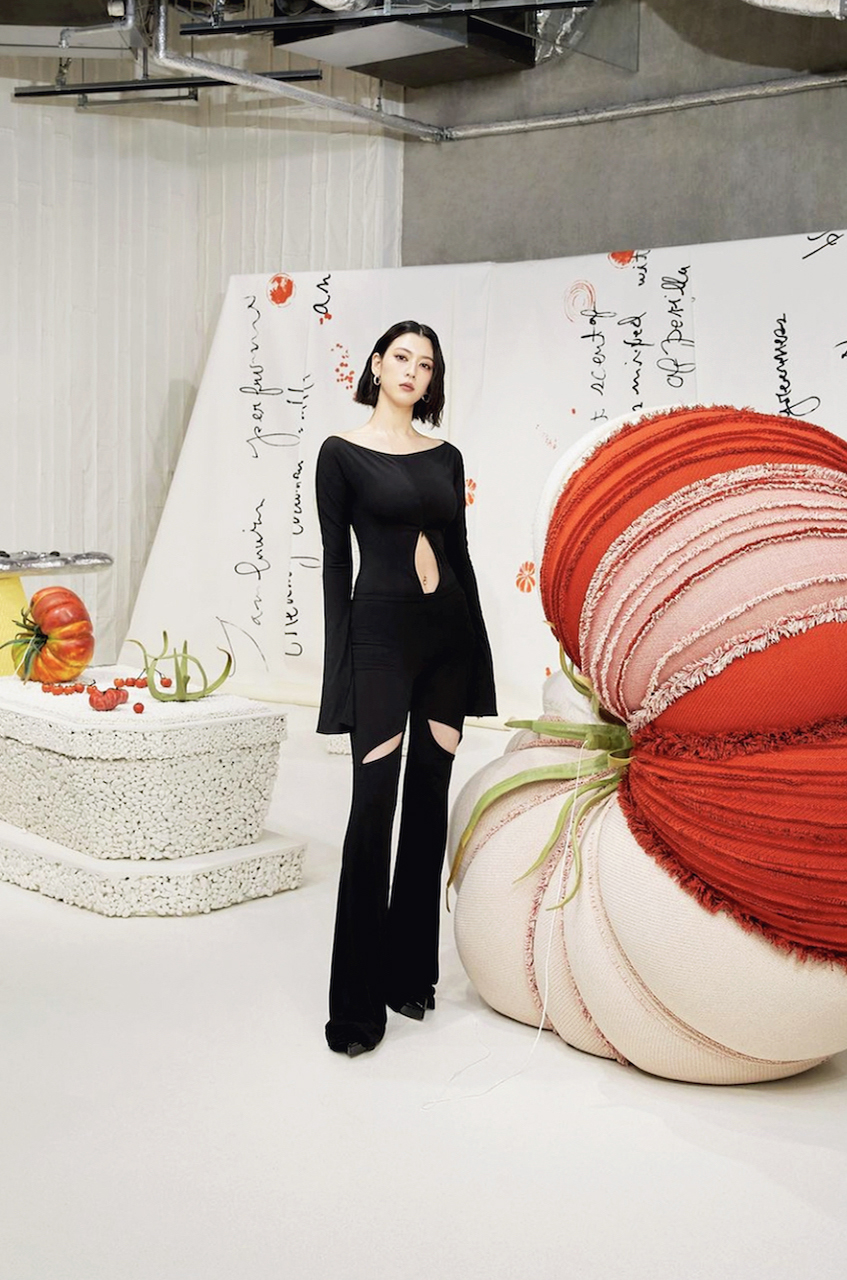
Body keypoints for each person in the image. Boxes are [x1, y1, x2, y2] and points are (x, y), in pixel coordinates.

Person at [315, 320, 497, 1057]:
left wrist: (479, 660)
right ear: (375, 365)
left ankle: (409, 976)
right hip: (381, 640)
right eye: (401, 357)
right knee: (372, 814)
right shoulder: (341, 454)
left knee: (428, 805)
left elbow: (461, 557)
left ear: (431, 380)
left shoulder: (447, 457)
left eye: (425, 364)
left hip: (446, 640)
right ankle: (356, 1009)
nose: (412, 371)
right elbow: (336, 569)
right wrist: (338, 683)